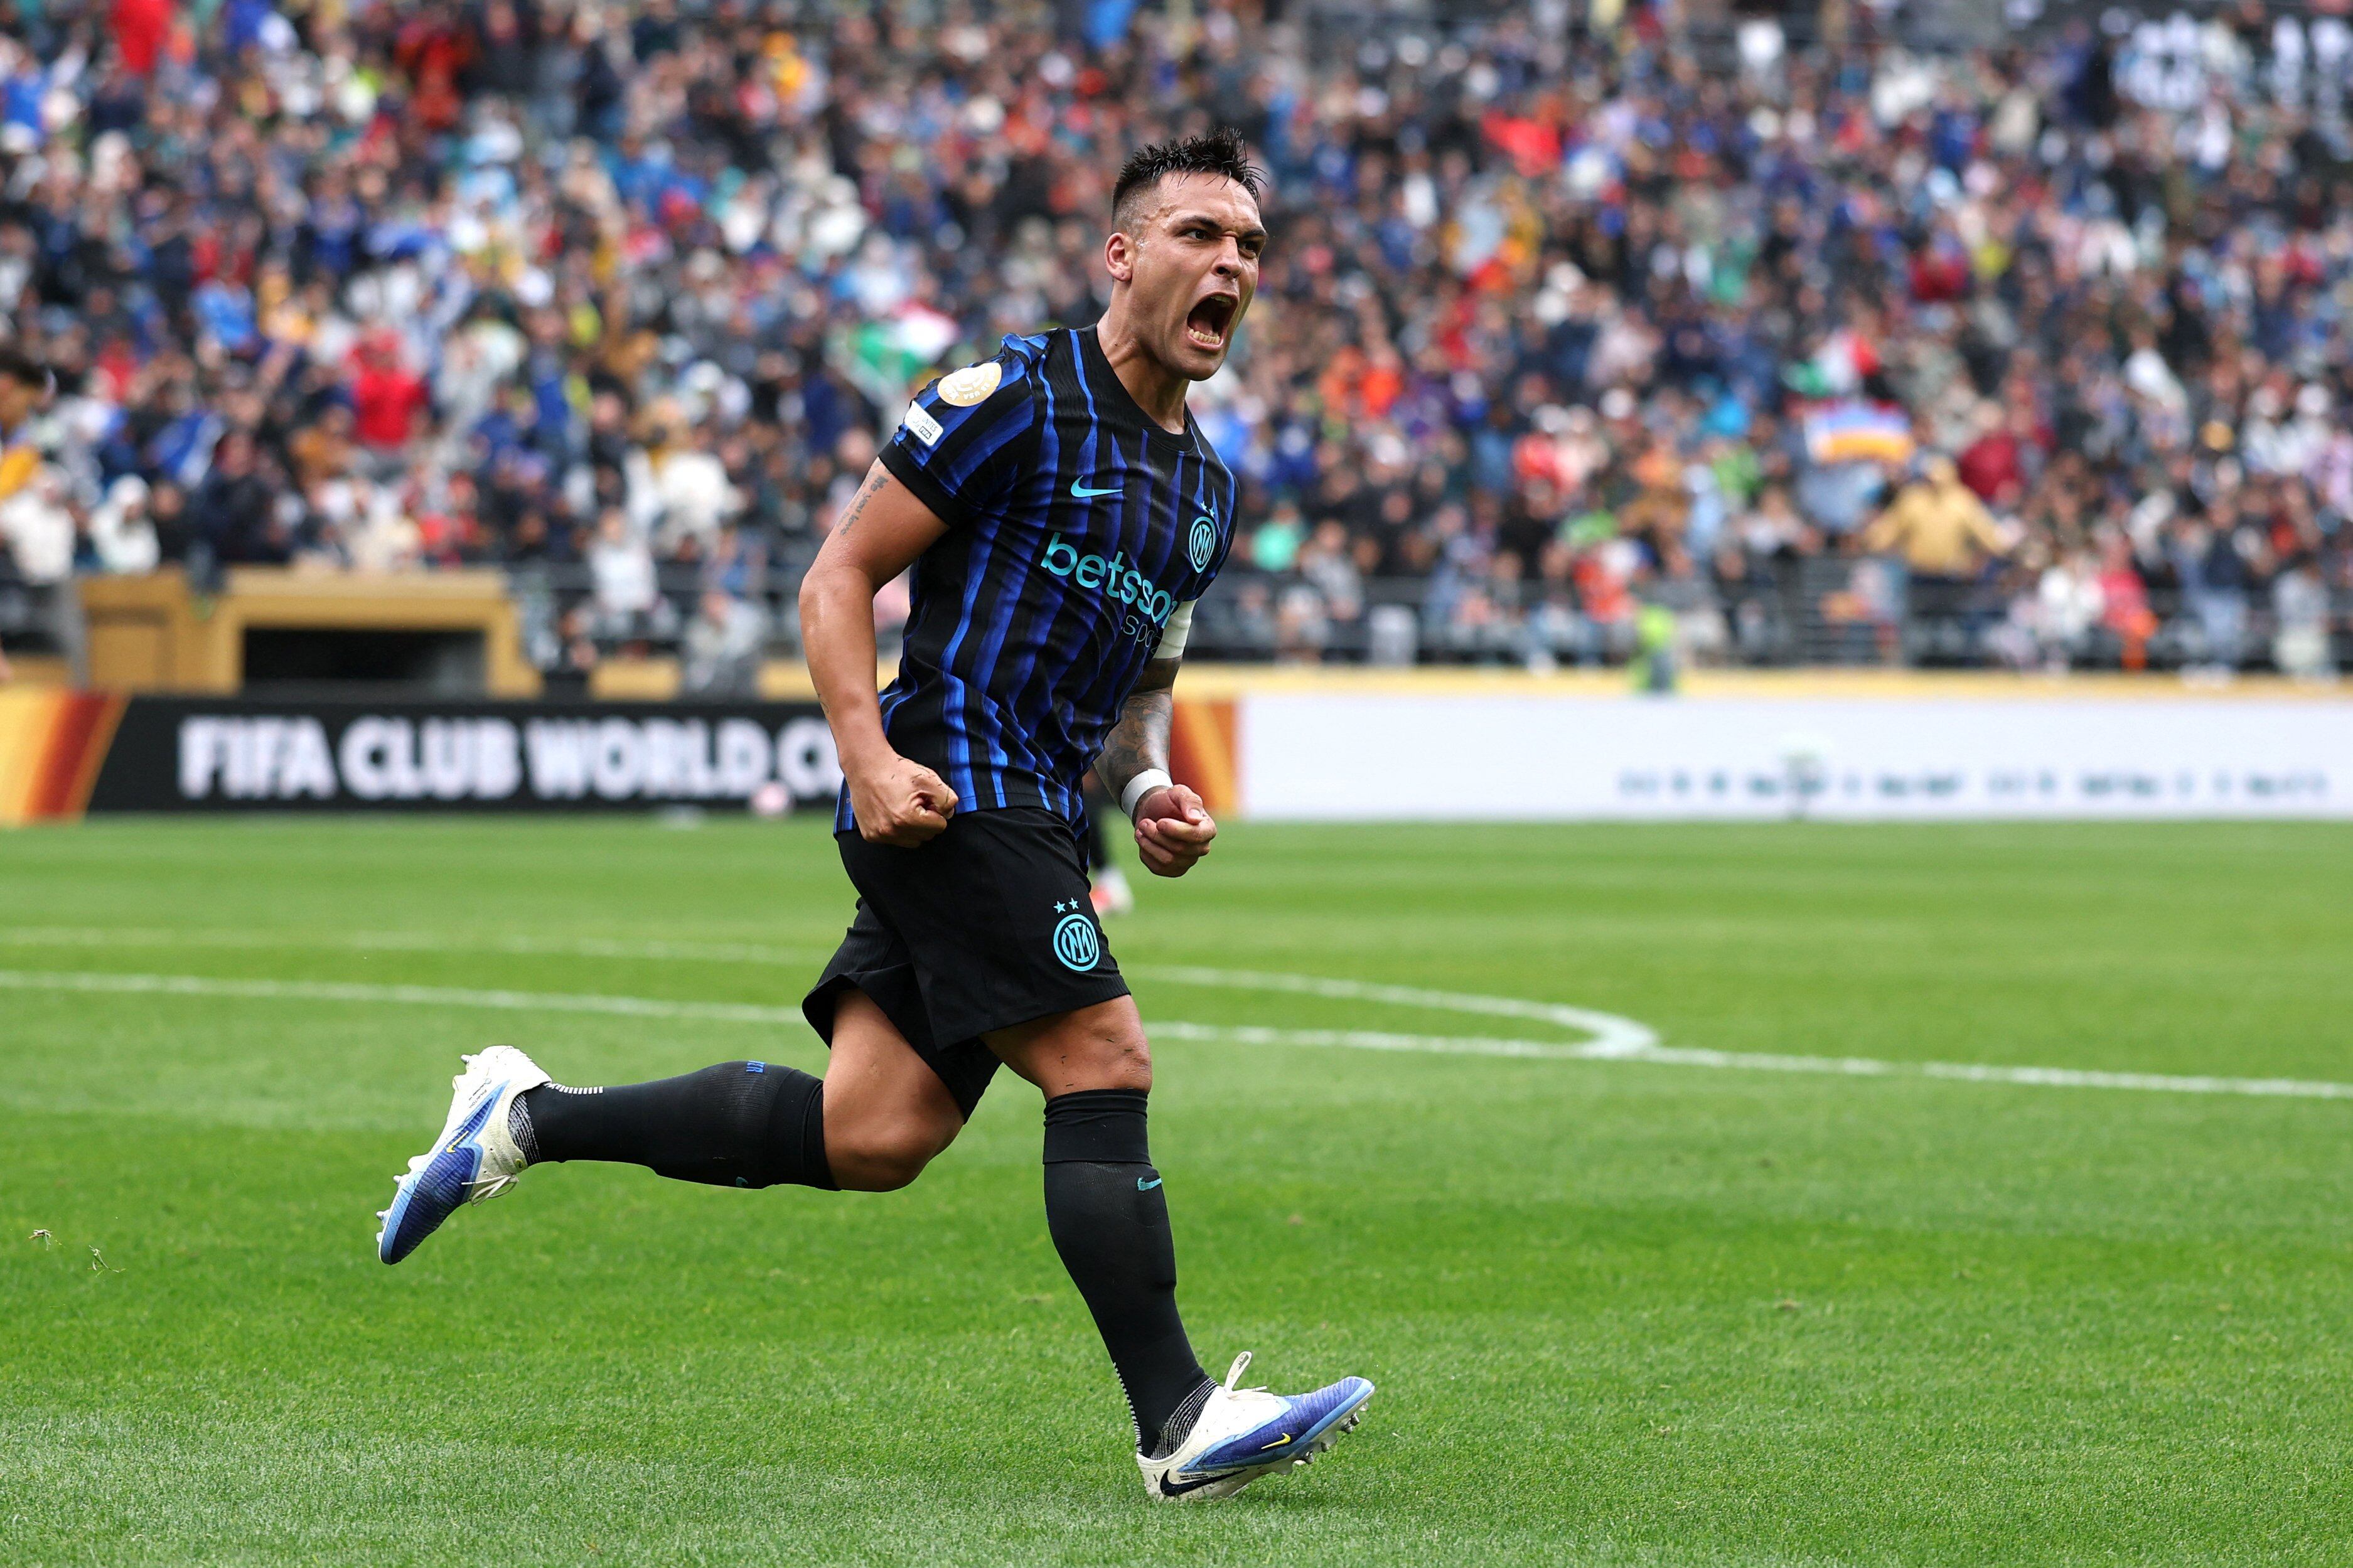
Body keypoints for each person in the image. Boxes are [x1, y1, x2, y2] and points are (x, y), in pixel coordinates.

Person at [375, 132, 1373, 1502]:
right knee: (1103, 1058)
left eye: (1250, 246)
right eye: (1200, 234)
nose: (1232, 266)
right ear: (1123, 254)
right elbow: (837, 577)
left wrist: (1145, 787)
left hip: (1036, 800)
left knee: (875, 1133)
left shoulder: (1204, 492)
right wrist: (865, 757)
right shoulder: (1012, 396)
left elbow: (1140, 686)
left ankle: (526, 1117)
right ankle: (1180, 1417)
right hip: (950, 782)